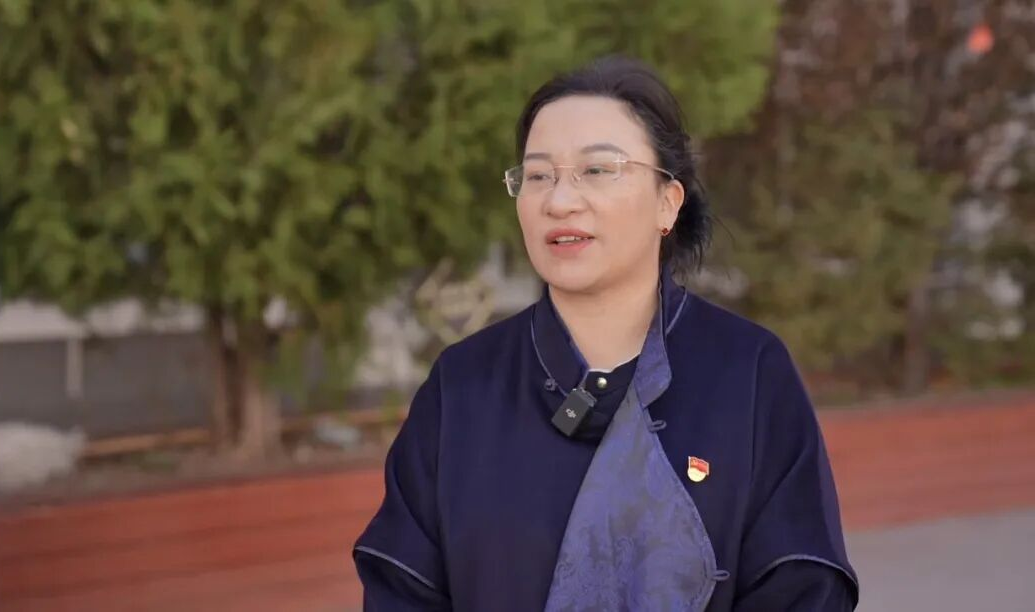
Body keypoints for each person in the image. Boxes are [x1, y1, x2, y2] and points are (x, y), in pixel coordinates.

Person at [354, 56, 858, 612]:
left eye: (597, 170)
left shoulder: (748, 371)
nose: (559, 201)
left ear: (668, 202)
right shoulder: (463, 385)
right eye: (538, 175)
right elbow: (402, 591)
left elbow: (801, 589)